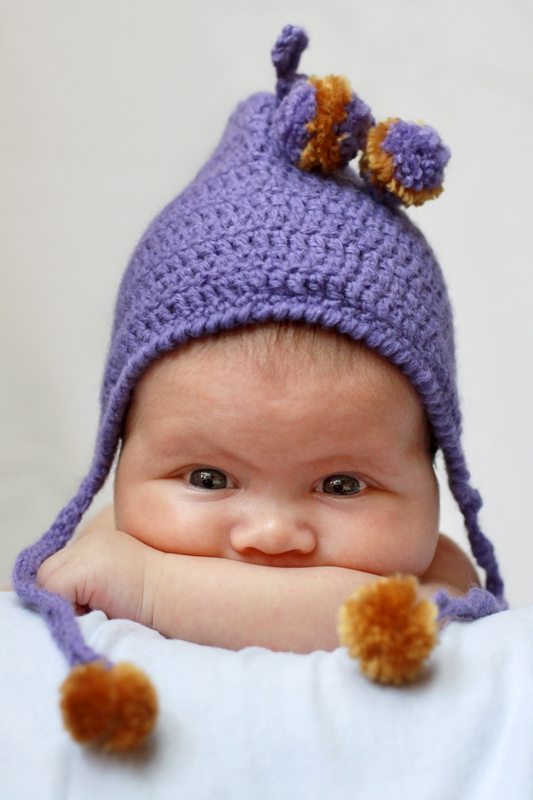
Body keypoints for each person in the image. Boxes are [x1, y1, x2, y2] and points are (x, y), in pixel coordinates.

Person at [11, 24, 507, 748]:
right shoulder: (98, 548)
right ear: (118, 449)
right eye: (208, 478)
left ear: (434, 470)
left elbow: (387, 611)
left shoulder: (441, 575)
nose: (272, 536)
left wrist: (150, 588)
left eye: (342, 485)